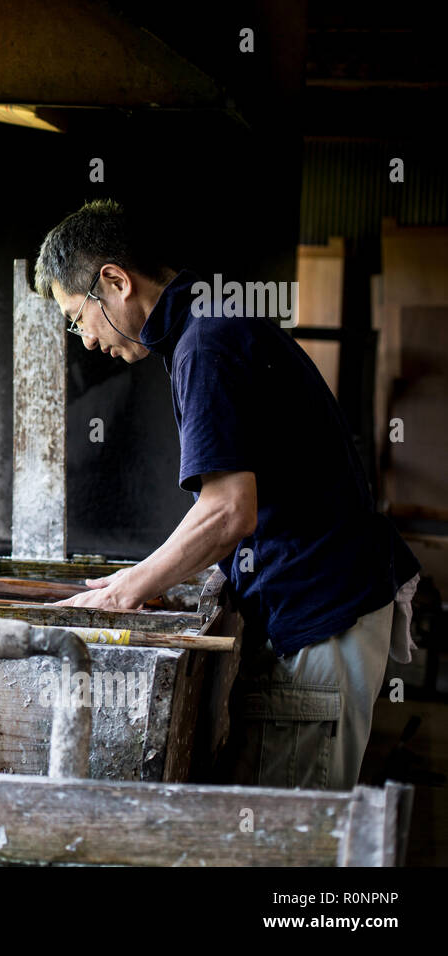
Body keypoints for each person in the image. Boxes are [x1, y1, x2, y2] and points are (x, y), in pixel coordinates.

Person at [34, 199, 421, 790]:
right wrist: (150, 576)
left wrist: (129, 588)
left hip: (319, 610)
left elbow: (227, 511)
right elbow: (226, 503)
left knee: (289, 841)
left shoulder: (205, 343)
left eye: (75, 316)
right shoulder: (210, 321)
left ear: (114, 281)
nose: (83, 340)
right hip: (323, 602)